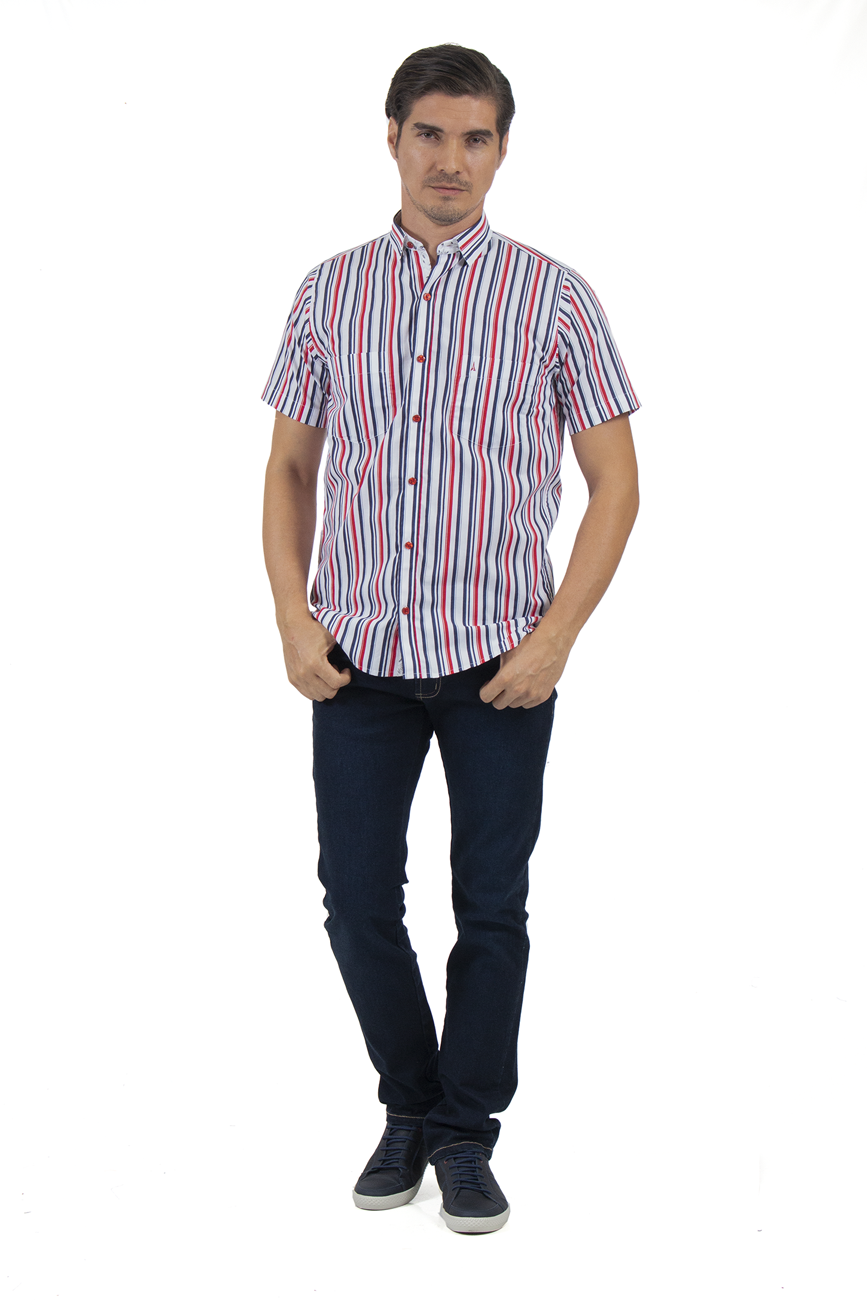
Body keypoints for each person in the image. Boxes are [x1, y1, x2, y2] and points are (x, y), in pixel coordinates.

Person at [261, 44, 640, 1235]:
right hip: (356, 662)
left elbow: (617, 483)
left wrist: (557, 638)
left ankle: (466, 1131)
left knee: (492, 906)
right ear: (393, 137)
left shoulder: (556, 297)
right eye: (431, 133)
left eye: (476, 138)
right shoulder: (329, 292)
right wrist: (291, 614)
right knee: (355, 901)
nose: (451, 160)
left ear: (503, 150)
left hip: (500, 664)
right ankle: (411, 1102)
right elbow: (290, 469)